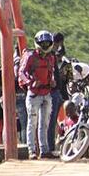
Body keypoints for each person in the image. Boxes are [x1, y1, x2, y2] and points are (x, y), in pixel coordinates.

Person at [20, 30, 57, 158]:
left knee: (44, 123)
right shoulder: (30, 56)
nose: (46, 45)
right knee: (32, 122)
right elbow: (21, 72)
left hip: (47, 93)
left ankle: (44, 150)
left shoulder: (51, 57)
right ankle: (32, 151)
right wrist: (31, 82)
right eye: (43, 43)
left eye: (48, 43)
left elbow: (51, 72)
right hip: (34, 94)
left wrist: (52, 81)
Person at [46, 32, 70, 153]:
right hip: (55, 92)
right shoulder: (51, 55)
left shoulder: (64, 62)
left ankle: (59, 145)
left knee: (61, 121)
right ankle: (51, 147)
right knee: (53, 121)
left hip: (61, 93)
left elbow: (68, 78)